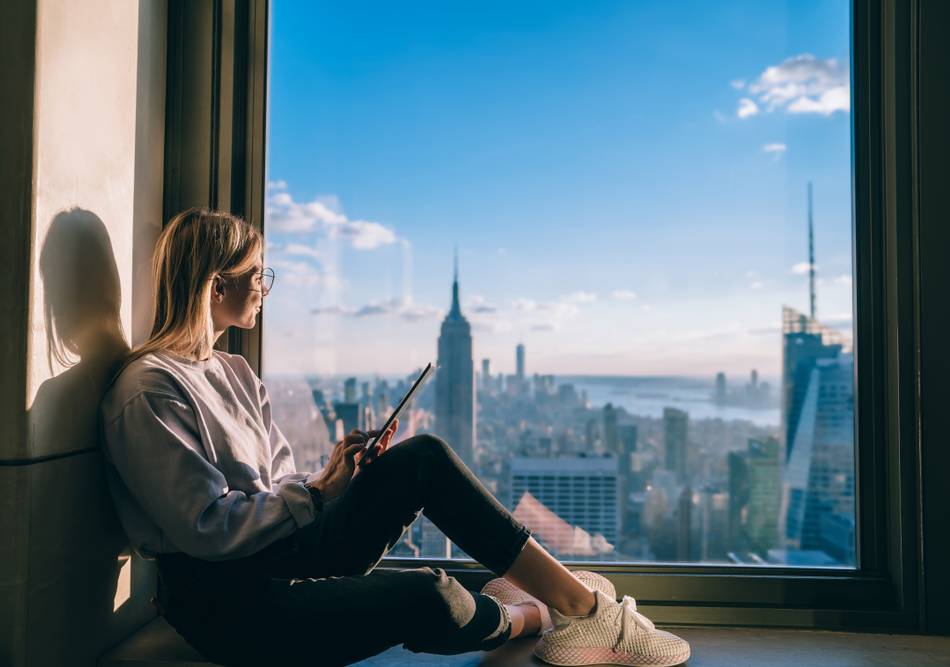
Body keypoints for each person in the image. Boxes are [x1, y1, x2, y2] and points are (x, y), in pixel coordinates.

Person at [99, 208, 691, 667]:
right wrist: (315, 497)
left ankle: (584, 610)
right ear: (215, 285)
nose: (266, 287)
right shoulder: (149, 391)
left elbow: (278, 486)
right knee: (428, 596)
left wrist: (330, 480)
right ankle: (531, 616)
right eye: (258, 274)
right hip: (226, 602)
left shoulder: (233, 372)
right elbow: (208, 529)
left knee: (422, 458)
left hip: (279, 553)